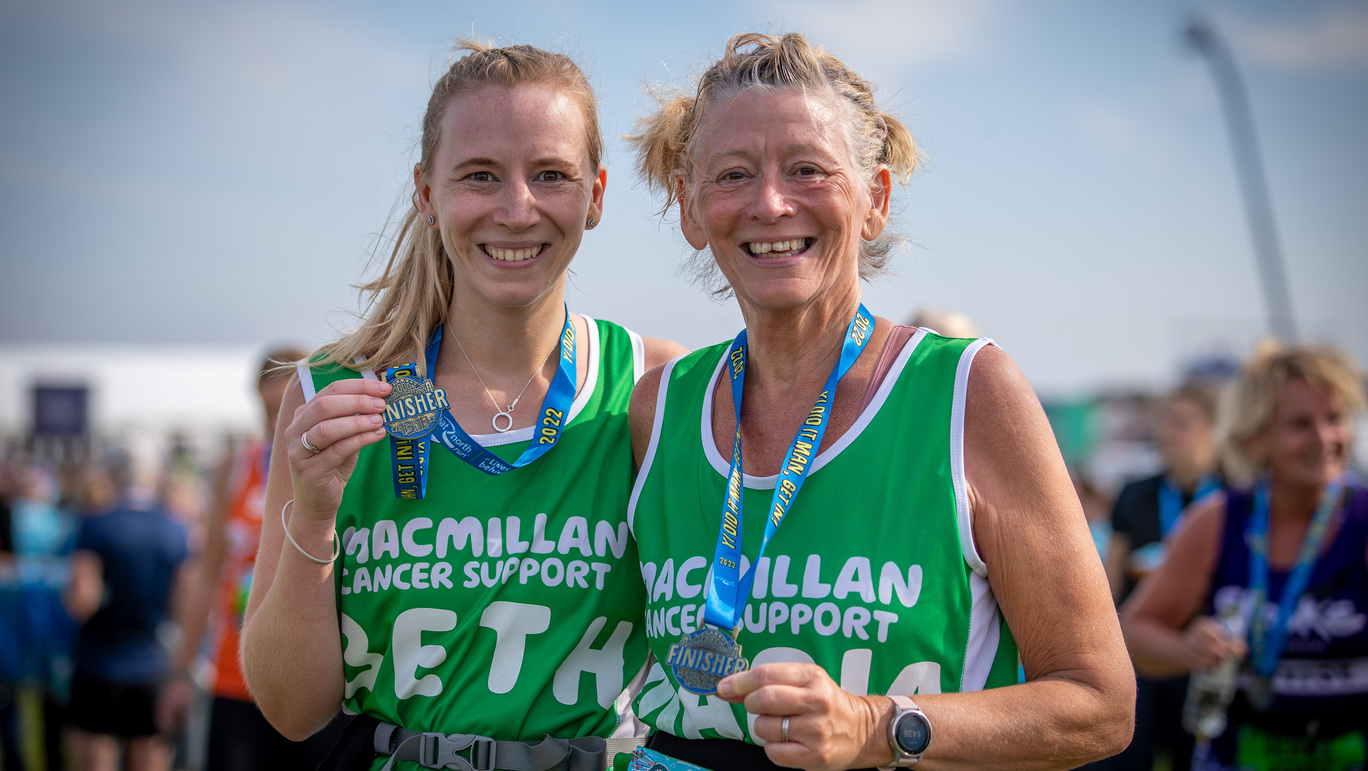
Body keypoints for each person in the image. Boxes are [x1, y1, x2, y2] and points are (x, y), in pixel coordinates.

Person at [625, 31, 1134, 771]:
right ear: (691, 209)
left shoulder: (970, 391)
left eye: (808, 170)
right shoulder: (658, 407)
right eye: (733, 174)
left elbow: (1100, 703)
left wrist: (877, 726)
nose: (770, 203)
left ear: (876, 200)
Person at [240, 40, 684, 771]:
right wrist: (314, 514)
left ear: (597, 194)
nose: (517, 209)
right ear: (425, 191)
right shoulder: (331, 394)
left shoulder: (655, 387)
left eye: (550, 175)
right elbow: (292, 711)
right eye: (480, 176)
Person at [1121, 346, 1368, 771]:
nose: (1325, 439)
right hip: (1237, 754)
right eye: (1300, 425)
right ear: (1255, 437)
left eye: (1335, 419)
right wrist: (1187, 648)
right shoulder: (1217, 520)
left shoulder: (1361, 519)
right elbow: (1136, 630)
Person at [158, 347, 349, 770]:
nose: (277, 426)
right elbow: (205, 575)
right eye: (268, 411)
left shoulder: (341, 462)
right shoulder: (236, 464)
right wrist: (181, 670)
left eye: (287, 410)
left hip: (315, 679)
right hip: (235, 677)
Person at [1100, 382, 1223, 771]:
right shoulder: (1134, 495)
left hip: (1210, 661)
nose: (1169, 434)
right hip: (1141, 657)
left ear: (1215, 430)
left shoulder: (1234, 498)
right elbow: (1110, 586)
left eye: (1182, 423)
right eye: (1165, 423)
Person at [63, 450, 191, 771]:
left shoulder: (96, 525)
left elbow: (83, 600)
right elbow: (183, 607)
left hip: (99, 666)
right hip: (153, 666)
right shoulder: (177, 530)